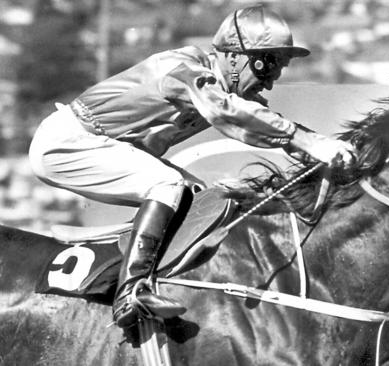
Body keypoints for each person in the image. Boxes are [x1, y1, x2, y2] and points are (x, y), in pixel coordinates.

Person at [28, 5, 355, 331]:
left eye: (278, 69)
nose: (270, 82)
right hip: (69, 142)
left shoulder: (222, 88)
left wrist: (320, 150)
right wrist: (308, 142)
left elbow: (265, 123)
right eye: (267, 65)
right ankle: (129, 295)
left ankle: (164, 283)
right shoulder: (182, 69)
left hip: (105, 145)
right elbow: (229, 111)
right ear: (234, 55)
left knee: (205, 201)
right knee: (168, 185)